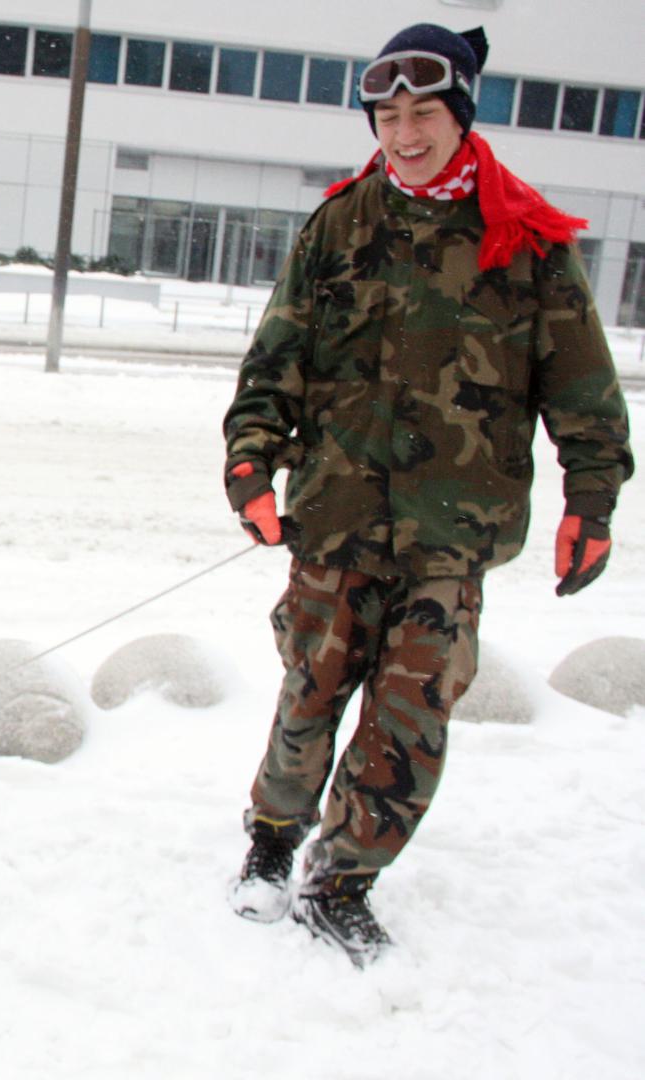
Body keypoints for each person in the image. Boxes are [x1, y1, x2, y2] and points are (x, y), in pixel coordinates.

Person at [221, 23, 632, 967]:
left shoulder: (525, 241)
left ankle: (344, 879)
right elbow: (273, 364)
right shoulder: (339, 224)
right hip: (335, 518)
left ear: (462, 116)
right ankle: (273, 842)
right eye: (389, 115)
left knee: (413, 718)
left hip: (454, 534)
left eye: (425, 114)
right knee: (308, 693)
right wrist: (251, 466)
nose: (404, 134)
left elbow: (583, 391)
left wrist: (591, 502)